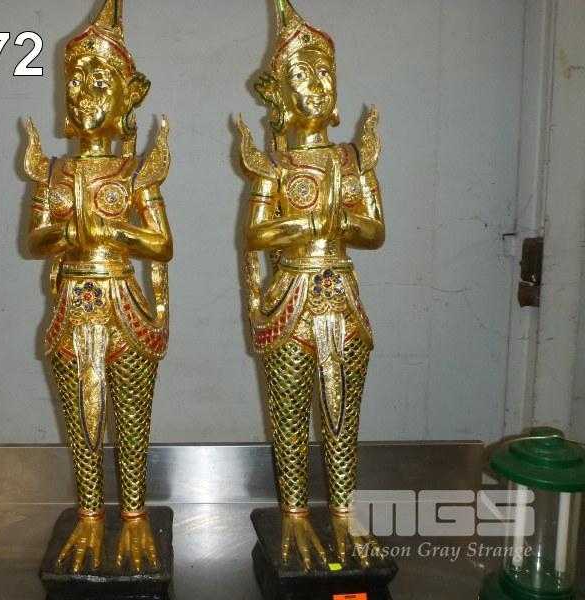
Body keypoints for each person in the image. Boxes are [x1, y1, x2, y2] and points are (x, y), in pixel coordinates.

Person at [24, 0, 172, 574]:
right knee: (82, 422)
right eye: (77, 82)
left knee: (131, 421)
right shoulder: (54, 171)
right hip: (71, 306)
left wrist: (102, 230)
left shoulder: (136, 172)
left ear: (129, 98)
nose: (85, 93)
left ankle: (134, 515)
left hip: (124, 305)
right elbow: (37, 239)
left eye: (101, 81)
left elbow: (160, 243)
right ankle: (88, 513)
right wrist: (74, 231)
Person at [239, 0, 384, 570]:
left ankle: (344, 513)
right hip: (289, 301)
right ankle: (295, 513)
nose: (318, 85)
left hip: (342, 299)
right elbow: (256, 235)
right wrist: (309, 225)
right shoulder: (272, 166)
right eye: (302, 75)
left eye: (325, 73)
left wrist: (333, 223)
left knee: (343, 416)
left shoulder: (351, 160)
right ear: (277, 96)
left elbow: (374, 230)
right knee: (289, 417)